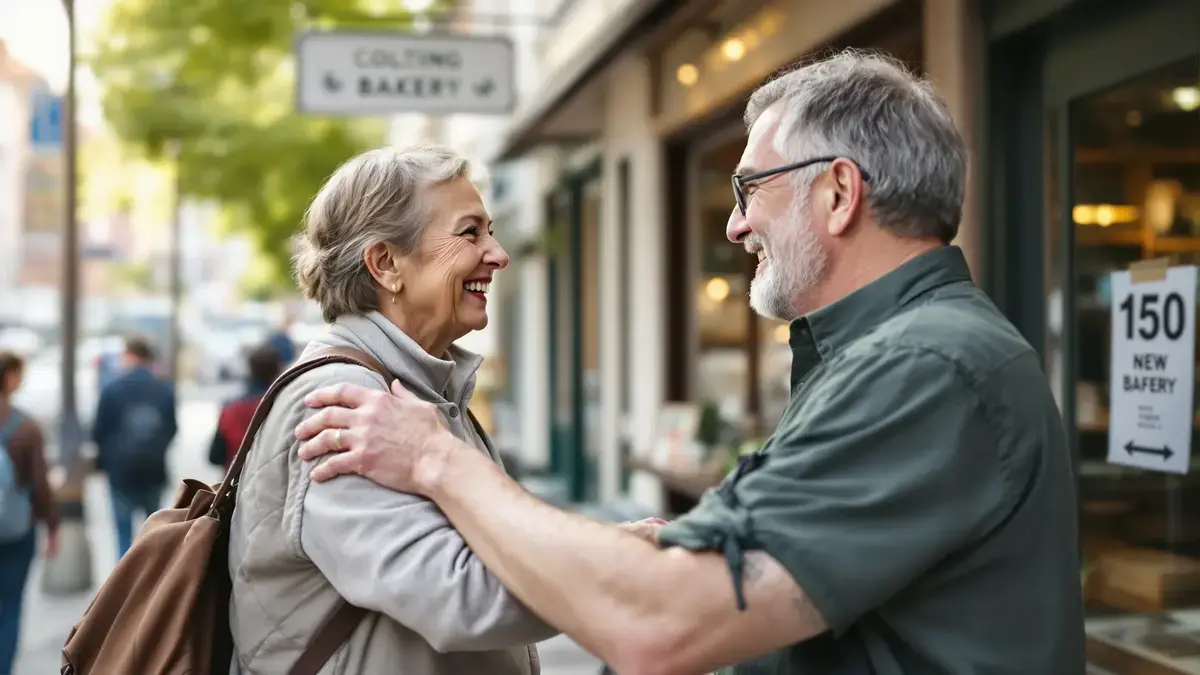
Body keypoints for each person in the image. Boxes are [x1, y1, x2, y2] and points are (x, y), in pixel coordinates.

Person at [293, 51, 1086, 675]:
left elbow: (659, 624)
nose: (737, 225)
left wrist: (437, 459)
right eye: (470, 232)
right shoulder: (892, 356)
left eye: (749, 187)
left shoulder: (925, 368)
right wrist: (645, 550)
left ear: (839, 193)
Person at [229, 144, 635, 675]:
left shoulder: (420, 386)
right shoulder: (341, 402)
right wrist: (635, 554)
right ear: (386, 264)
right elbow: (466, 598)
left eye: (490, 230)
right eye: (471, 233)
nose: (498, 253)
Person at [92, 336, 177, 559]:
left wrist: (103, 462)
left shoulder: (112, 388)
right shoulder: (165, 389)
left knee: (122, 533)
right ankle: (153, 581)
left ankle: (124, 583)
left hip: (120, 471)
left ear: (130, 355)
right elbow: (172, 428)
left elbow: (99, 431)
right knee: (154, 530)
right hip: (153, 468)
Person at [0, 351, 59, 675]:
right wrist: (52, 526)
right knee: (10, 608)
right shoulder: (24, 426)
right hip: (14, 530)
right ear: (9, 377)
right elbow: (40, 484)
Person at [208, 343, 283, 472]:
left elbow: (215, 456)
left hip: (234, 484)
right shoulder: (282, 404)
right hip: (274, 481)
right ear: (278, 370)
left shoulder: (231, 406)